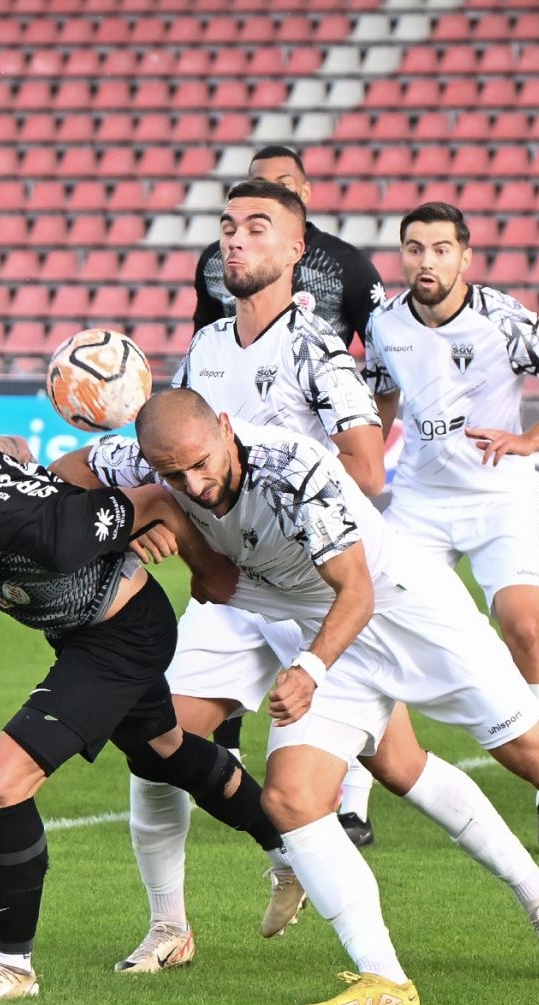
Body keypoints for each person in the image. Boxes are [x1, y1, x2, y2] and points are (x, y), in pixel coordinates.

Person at [82, 390, 539, 1005]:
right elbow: (69, 477)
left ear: (225, 428)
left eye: (200, 464)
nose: (194, 483)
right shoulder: (155, 460)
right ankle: (385, 978)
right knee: (292, 798)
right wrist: (108, 513)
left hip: (403, 613)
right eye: (172, 475)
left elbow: (356, 592)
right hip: (321, 632)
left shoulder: (293, 468)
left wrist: (308, 667)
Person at [0, 434, 288, 1001]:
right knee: (165, 753)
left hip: (121, 636)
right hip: (79, 634)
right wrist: (28, 470)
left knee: (2, 783)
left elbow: (155, 500)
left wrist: (205, 571)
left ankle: (11, 965)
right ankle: (288, 849)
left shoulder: (52, 533)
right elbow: (7, 444)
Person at [363, 201, 539, 853]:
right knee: (376, 623)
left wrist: (531, 439)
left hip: (500, 495)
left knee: (523, 625)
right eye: (415, 248)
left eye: (441, 249)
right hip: (420, 500)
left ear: (465, 257)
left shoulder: (504, 319)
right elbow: (382, 393)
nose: (427, 261)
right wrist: (363, 462)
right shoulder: (384, 323)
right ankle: (352, 803)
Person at [192, 146, 390, 788]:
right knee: (161, 740)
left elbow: (367, 471)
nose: (236, 241)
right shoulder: (206, 345)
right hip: (237, 575)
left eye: (256, 228)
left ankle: (350, 807)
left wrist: (273, 480)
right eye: (229, 228)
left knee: (395, 764)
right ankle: (254, 806)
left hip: (314, 576)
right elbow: (181, 446)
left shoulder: (317, 341)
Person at [192, 145, 386, 348]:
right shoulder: (217, 259)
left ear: (305, 192)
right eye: (260, 184)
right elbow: (202, 344)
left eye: (283, 184)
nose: (271, 193)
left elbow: (382, 352)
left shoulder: (347, 263)